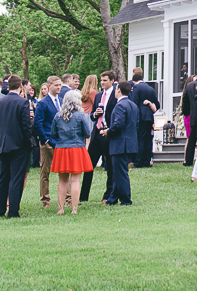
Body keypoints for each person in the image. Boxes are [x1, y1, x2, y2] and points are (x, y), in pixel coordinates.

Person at [0, 76, 32, 218]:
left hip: (2, 143)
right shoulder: (23, 102)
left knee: (2, 177)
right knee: (16, 178)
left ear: (7, 87)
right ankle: (13, 211)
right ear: (20, 85)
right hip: (18, 145)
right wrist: (29, 142)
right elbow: (26, 126)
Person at [48, 89, 92, 214]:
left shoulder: (58, 116)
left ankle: (60, 208)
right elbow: (87, 133)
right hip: (77, 148)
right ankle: (74, 208)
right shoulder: (80, 115)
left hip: (61, 148)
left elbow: (53, 134)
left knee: (62, 180)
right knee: (75, 180)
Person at [81, 71, 114, 203]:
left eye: (105, 80)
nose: (102, 83)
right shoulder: (99, 95)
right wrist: (95, 114)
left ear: (112, 81)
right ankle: (83, 196)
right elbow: (92, 116)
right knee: (88, 165)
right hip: (97, 133)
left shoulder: (115, 95)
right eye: (101, 80)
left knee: (110, 167)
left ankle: (108, 195)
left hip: (109, 134)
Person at [104, 80, 138, 205]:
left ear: (118, 90)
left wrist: (108, 132)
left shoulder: (120, 105)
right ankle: (112, 199)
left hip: (120, 143)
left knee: (120, 173)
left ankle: (125, 199)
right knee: (119, 172)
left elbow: (118, 124)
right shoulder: (133, 105)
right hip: (130, 143)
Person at [33, 76, 62, 207]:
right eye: (56, 85)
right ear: (49, 86)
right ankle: (45, 198)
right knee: (45, 170)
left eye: (60, 85)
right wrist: (45, 140)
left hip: (61, 141)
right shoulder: (43, 103)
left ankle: (67, 197)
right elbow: (37, 124)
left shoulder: (61, 101)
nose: (59, 87)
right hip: (48, 141)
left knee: (64, 169)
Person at [129, 69, 158, 168]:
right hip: (149, 117)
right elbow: (157, 104)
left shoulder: (136, 88)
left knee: (140, 139)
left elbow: (134, 103)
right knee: (148, 140)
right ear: (143, 79)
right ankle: (147, 161)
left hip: (140, 117)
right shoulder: (151, 89)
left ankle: (138, 162)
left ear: (133, 81)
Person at [181, 65, 197, 166]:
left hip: (192, 115)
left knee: (191, 139)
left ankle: (188, 160)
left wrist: (188, 112)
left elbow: (185, 99)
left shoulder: (189, 85)